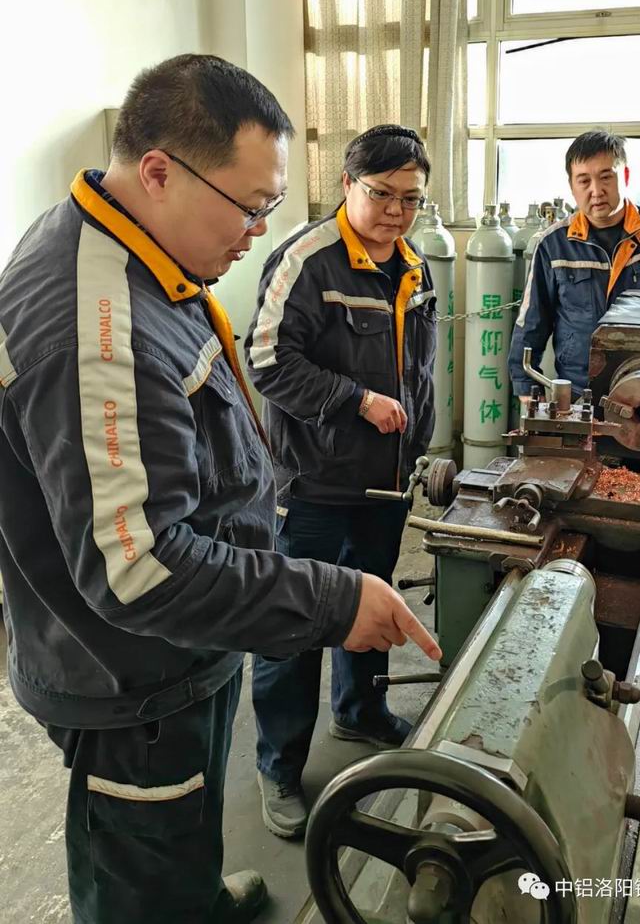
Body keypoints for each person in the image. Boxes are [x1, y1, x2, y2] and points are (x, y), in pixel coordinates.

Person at [0, 58, 440, 924]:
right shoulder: (99, 325)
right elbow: (140, 570)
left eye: (269, 206)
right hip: (132, 675)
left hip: (194, 639)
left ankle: (196, 895)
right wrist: (331, 598)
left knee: (186, 823)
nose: (256, 232)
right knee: (144, 861)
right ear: (159, 170)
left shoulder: (140, 246)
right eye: (248, 206)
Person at [245, 124, 436, 839]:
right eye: (382, 194)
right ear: (348, 185)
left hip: (385, 483)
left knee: (373, 603)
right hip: (315, 484)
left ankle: (360, 712)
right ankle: (280, 763)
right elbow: (266, 359)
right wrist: (355, 400)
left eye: (410, 198)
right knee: (294, 622)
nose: (396, 211)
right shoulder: (306, 260)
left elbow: (421, 371)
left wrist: (418, 448)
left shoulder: (414, 265)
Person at [509, 129, 640, 395]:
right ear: (572, 187)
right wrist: (526, 388)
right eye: (584, 181)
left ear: (625, 176)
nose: (596, 191)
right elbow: (532, 322)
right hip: (579, 390)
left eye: (606, 177)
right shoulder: (554, 244)